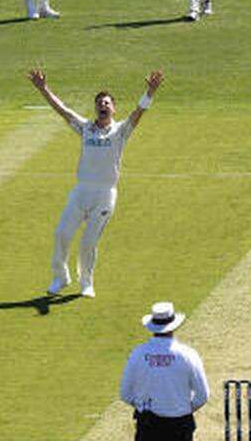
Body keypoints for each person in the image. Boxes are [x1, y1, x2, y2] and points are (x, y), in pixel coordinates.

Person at [29, 69, 164, 297]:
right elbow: (62, 111)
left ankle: (86, 283)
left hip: (104, 195)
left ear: (113, 109)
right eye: (99, 103)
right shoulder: (85, 128)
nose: (103, 105)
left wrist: (149, 92)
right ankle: (60, 278)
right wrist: (43, 89)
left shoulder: (120, 131)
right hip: (81, 192)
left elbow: (138, 112)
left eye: (107, 103)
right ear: (96, 108)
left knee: (88, 242)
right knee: (61, 234)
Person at [120, 301, 210, 441]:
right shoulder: (187, 354)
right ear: (173, 326)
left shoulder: (138, 354)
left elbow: (125, 394)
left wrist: (142, 405)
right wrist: (182, 408)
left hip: (148, 426)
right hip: (179, 426)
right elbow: (203, 395)